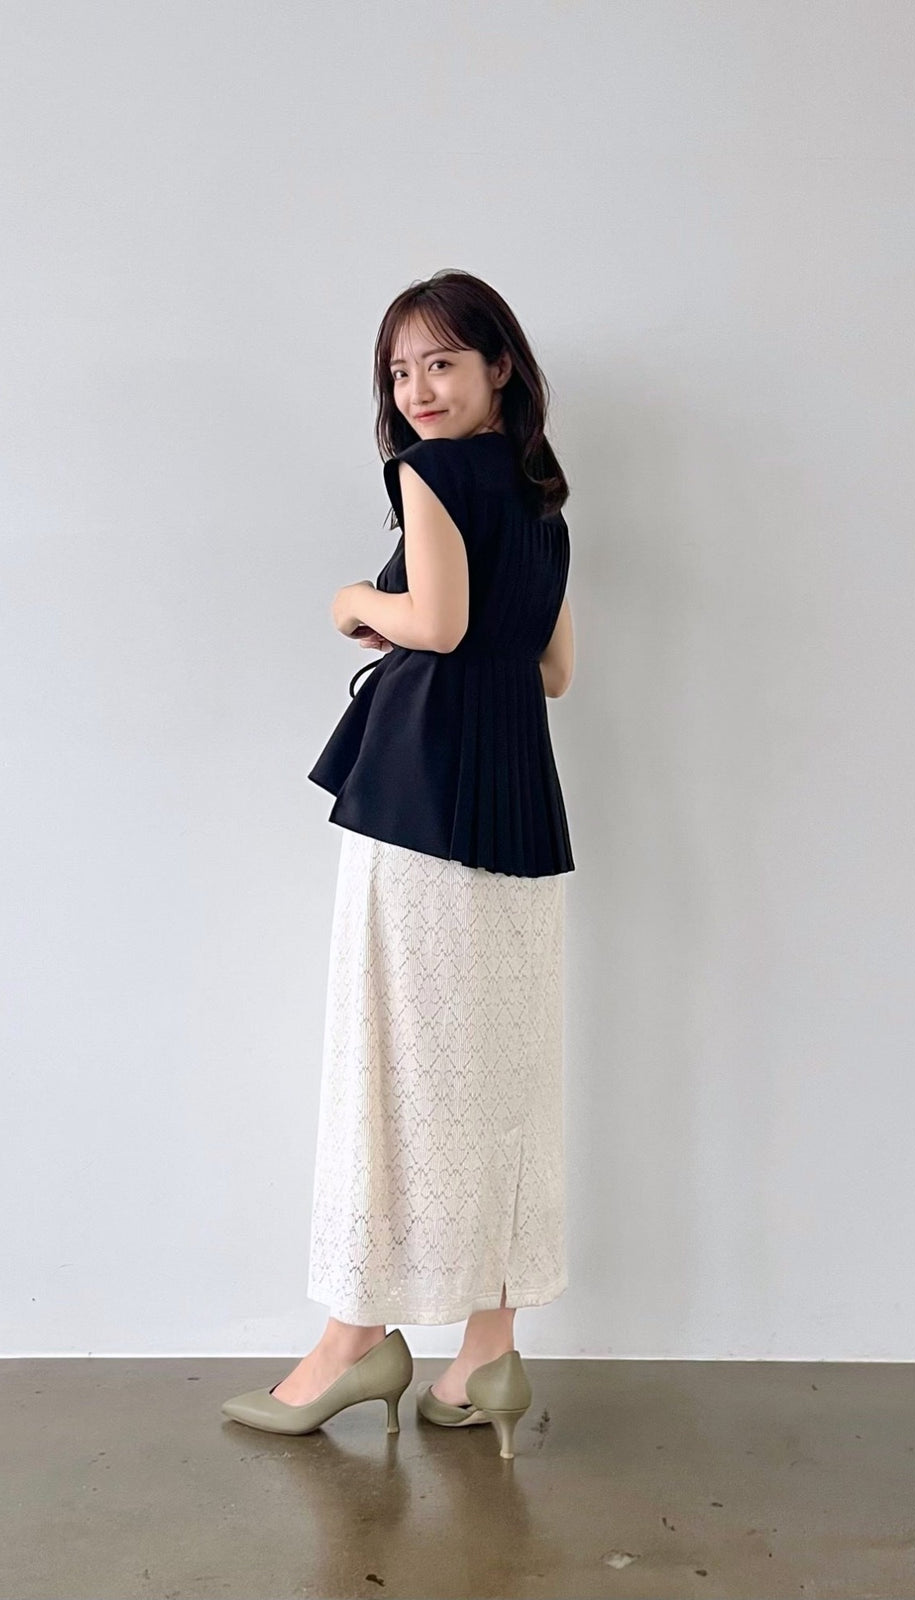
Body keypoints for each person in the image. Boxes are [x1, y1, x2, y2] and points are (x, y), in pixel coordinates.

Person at [221, 270, 576, 1459]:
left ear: (499, 367)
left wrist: (348, 601)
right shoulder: (544, 507)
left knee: (388, 1059)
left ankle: (353, 1339)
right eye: (401, 370)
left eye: (442, 363)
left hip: (423, 797)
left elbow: (443, 624)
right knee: (503, 1072)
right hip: (520, 805)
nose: (418, 389)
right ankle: (486, 1355)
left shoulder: (429, 474)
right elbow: (552, 669)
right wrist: (430, 613)